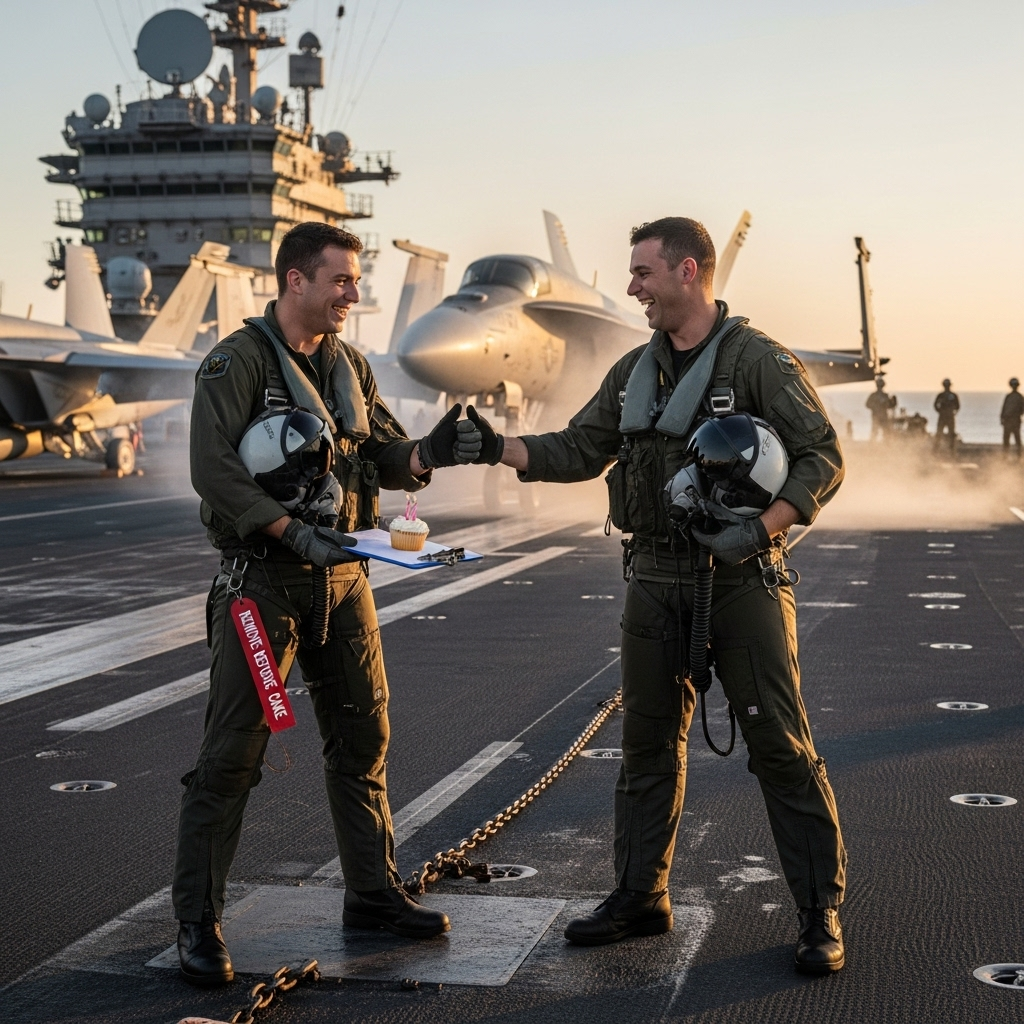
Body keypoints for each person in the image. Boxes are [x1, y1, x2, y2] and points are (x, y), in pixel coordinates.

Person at [464, 217, 848, 974]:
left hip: (741, 582)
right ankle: (640, 896)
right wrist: (496, 447)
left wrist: (760, 530)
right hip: (652, 581)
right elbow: (579, 447)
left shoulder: (759, 360)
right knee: (644, 748)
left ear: (689, 272)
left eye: (643, 273)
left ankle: (818, 912)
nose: (633, 287)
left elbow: (822, 458)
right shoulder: (634, 371)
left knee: (779, 748)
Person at [173, 223, 482, 986]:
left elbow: (382, 452)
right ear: (295, 282)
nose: (353, 293)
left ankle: (372, 895)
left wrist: (429, 453)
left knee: (363, 737)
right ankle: (197, 921)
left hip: (344, 583)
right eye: (341, 280)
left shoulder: (349, 366)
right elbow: (213, 471)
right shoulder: (236, 363)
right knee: (235, 752)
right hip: (263, 588)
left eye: (354, 280)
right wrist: (289, 533)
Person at [865, 376, 896, 440]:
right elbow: (867, 404)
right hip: (876, 416)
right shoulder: (874, 396)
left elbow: (890, 406)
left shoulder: (885, 396)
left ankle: (886, 445)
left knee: (886, 432)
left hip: (883, 416)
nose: (880, 387)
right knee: (875, 432)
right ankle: (873, 446)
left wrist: (894, 401)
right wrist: (875, 406)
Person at [933, 379, 959, 451]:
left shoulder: (953, 396)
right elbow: (935, 405)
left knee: (951, 434)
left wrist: (953, 412)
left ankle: (951, 450)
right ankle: (936, 449)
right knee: (939, 433)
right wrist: (940, 411)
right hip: (943, 416)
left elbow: (957, 406)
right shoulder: (941, 395)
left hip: (949, 416)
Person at [1000, 377, 1023, 457]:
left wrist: (1016, 415)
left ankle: (1019, 456)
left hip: (1015, 421)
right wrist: (1002, 418)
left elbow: (1022, 409)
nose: (1014, 386)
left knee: (1017, 440)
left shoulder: (1020, 397)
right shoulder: (1008, 397)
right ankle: (1005, 456)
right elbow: (1004, 408)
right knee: (1006, 440)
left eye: (1015, 385)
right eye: (1013, 385)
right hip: (1008, 421)